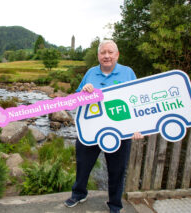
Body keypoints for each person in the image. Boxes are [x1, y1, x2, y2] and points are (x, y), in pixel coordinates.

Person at [64, 40, 143, 213]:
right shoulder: (91, 72)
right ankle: (79, 194)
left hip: (120, 132)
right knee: (83, 164)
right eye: (103, 52)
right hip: (91, 131)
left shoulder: (127, 72)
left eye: (110, 52)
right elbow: (76, 98)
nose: (106, 56)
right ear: (98, 55)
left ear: (117, 55)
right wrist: (83, 91)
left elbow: (136, 101)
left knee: (117, 170)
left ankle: (115, 204)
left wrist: (138, 127)